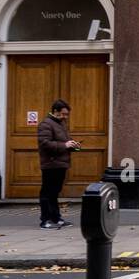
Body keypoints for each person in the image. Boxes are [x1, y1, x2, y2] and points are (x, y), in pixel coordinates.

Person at [36, 99, 78, 230]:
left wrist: (73, 145)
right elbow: (45, 143)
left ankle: (56, 217)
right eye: (64, 114)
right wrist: (65, 145)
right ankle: (45, 220)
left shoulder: (61, 124)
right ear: (55, 111)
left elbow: (63, 142)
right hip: (51, 163)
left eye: (67, 114)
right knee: (47, 192)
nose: (66, 117)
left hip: (60, 163)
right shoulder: (46, 124)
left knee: (55, 192)